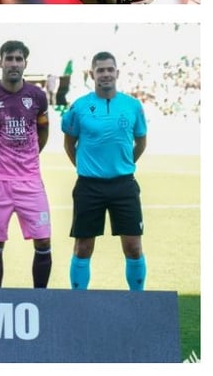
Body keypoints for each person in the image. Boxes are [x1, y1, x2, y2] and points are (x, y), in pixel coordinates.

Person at [62, 51, 148, 290]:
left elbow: (141, 142)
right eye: (100, 70)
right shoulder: (79, 107)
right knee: (83, 247)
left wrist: (125, 164)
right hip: (89, 186)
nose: (106, 74)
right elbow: (69, 143)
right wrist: (83, 167)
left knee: (133, 246)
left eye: (110, 69)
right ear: (92, 74)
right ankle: (78, 299)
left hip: (124, 184)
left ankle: (137, 298)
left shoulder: (132, 106)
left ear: (117, 73)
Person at [0, 40, 53, 289]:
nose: (14, 64)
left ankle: (41, 297)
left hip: (29, 180)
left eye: (19, 59)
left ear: (25, 63)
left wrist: (29, 157)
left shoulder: (37, 96)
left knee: (43, 240)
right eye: (10, 59)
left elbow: (43, 130)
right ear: (1, 62)